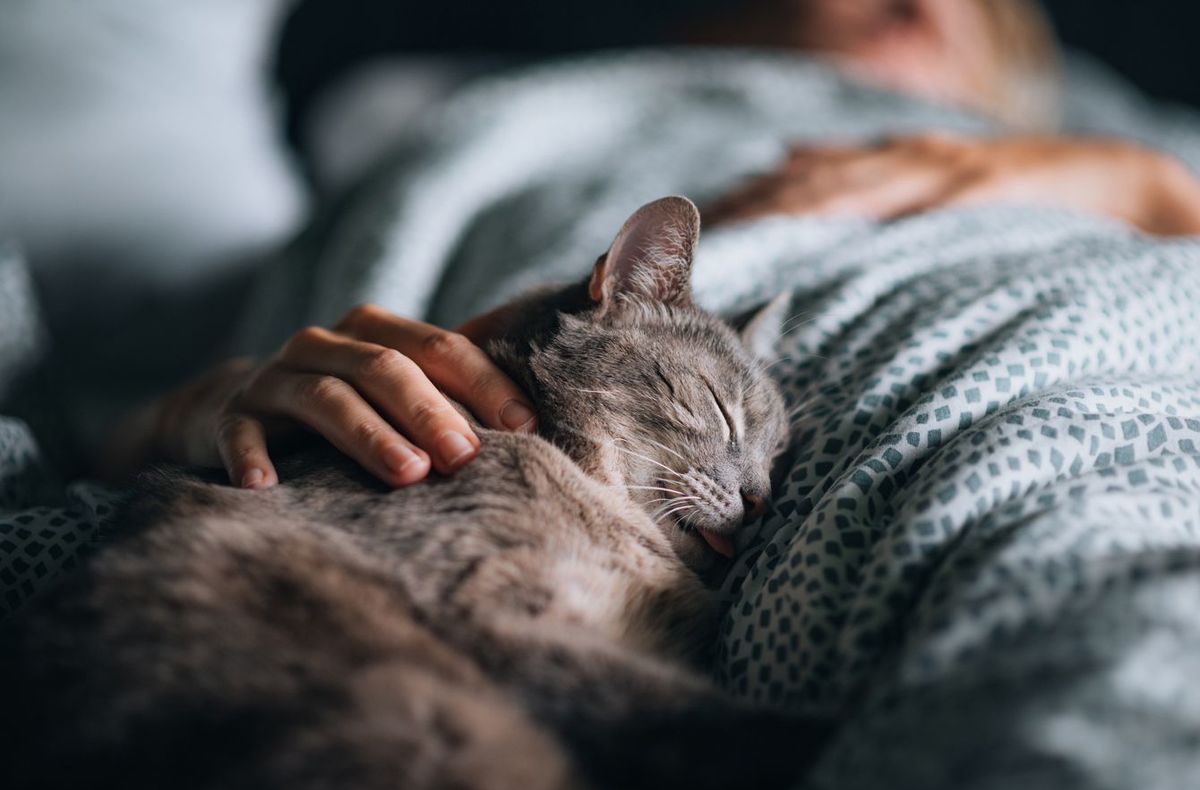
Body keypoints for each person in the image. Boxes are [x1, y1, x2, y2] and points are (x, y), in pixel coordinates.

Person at [112, 0, 1200, 490]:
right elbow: (106, 425)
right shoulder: (516, 114)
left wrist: (1141, 180)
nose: (923, 3)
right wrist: (200, 417)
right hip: (518, 485)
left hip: (1096, 330)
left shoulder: (1114, 156)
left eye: (978, 15)